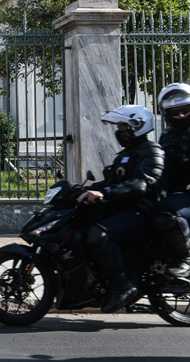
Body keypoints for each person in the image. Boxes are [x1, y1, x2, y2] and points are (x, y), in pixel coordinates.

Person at [76, 105, 164, 313]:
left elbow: (141, 184)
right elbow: (110, 182)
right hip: (122, 210)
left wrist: (105, 193)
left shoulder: (151, 151)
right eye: (118, 127)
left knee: (98, 235)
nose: (118, 131)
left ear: (137, 126)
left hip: (142, 213)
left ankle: (122, 286)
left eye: (123, 126)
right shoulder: (126, 154)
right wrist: (79, 190)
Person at [152, 83, 190, 277]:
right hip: (176, 192)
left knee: (165, 212)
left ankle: (185, 258)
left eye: (185, 110)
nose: (181, 115)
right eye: (175, 112)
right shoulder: (167, 135)